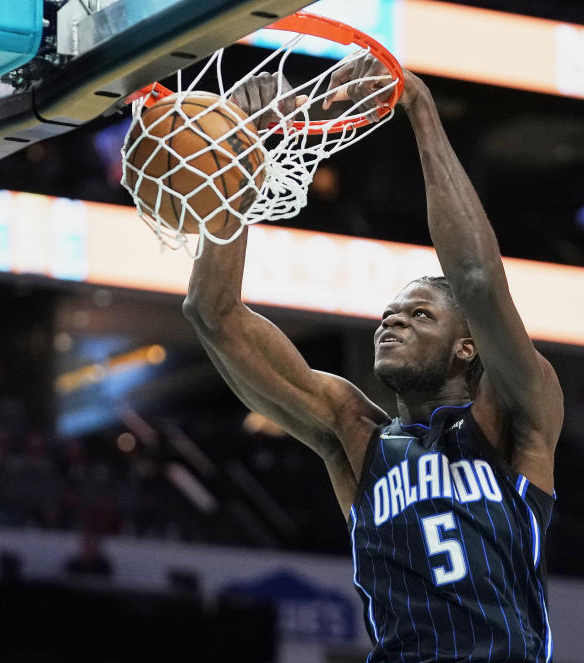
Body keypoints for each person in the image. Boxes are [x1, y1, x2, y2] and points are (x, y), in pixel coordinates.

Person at [183, 57, 563, 662]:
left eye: (419, 315)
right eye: (388, 314)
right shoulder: (354, 435)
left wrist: (418, 106)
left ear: (467, 346)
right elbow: (212, 313)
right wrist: (241, 149)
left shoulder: (515, 413)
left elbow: (476, 276)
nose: (392, 321)